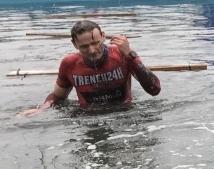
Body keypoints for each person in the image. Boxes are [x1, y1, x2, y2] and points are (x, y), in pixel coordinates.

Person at [19, 20, 161, 115]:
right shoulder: (69, 63)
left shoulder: (121, 54)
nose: (92, 50)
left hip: (123, 113)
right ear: (74, 44)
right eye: (84, 47)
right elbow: (57, 97)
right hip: (88, 117)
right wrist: (41, 109)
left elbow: (154, 89)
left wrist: (131, 57)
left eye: (95, 43)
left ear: (103, 36)